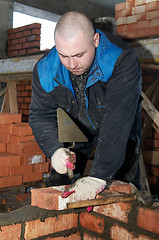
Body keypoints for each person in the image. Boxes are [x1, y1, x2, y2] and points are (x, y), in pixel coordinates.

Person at [29, 11, 142, 201]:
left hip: (119, 126)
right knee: (61, 182)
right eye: (64, 55)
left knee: (121, 188)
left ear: (95, 40)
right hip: (78, 125)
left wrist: (99, 176)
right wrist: (54, 150)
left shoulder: (120, 59)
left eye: (79, 55)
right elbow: (40, 115)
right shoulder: (45, 69)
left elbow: (117, 119)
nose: (72, 64)